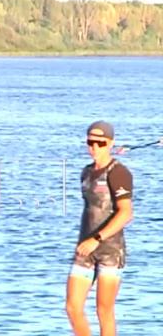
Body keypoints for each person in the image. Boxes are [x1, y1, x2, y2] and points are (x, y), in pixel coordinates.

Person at [66, 120, 133, 336]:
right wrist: (86, 242)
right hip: (85, 248)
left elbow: (125, 213)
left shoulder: (119, 172)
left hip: (110, 250)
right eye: (90, 142)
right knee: (73, 308)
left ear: (110, 143)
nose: (94, 147)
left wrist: (97, 238)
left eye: (100, 143)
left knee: (104, 310)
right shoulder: (85, 172)